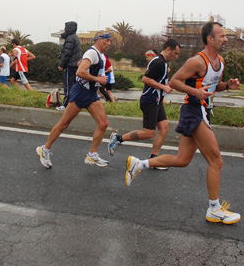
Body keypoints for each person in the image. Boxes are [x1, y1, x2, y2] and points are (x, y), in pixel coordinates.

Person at [125, 22, 242, 225]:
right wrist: (196, 92)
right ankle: (214, 209)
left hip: (203, 111)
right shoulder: (197, 61)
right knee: (216, 161)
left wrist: (227, 86)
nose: (225, 39)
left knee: (182, 160)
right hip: (194, 112)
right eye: (222, 36)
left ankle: (139, 164)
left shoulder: (220, 62)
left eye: (225, 36)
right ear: (210, 39)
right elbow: (175, 82)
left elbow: (214, 86)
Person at [36, 31, 112, 168]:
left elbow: (84, 69)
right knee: (64, 124)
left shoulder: (100, 55)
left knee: (103, 123)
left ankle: (92, 155)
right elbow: (80, 72)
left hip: (91, 93)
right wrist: (97, 79)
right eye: (107, 40)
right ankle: (44, 149)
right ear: (99, 40)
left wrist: (96, 80)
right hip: (81, 92)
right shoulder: (92, 53)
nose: (109, 43)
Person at [108, 40, 181, 168]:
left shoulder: (163, 62)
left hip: (157, 101)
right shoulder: (158, 62)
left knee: (164, 128)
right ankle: (118, 139)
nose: (176, 56)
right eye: (175, 53)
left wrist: (166, 86)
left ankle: (154, 160)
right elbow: (145, 79)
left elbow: (158, 80)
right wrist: (163, 87)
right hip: (150, 101)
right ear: (168, 49)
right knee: (148, 133)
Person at [57, 21, 81, 110]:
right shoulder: (75, 37)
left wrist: (61, 64)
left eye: (65, 27)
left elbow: (67, 53)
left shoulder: (70, 38)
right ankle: (74, 104)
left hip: (70, 65)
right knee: (74, 85)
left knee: (68, 86)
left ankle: (66, 104)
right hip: (75, 65)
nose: (64, 29)